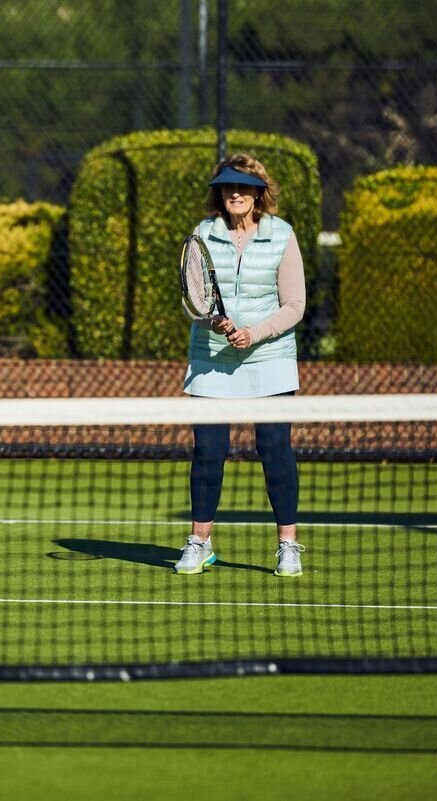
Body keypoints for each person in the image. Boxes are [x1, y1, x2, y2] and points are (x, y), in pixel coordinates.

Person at [176, 152, 306, 577]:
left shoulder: (283, 235)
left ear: (258, 193)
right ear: (220, 193)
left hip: (270, 361)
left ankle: (288, 546)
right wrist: (213, 320)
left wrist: (255, 333)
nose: (236, 193)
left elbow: (295, 305)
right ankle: (200, 542)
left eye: (245, 186)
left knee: (276, 452)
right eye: (229, 186)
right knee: (208, 453)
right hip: (211, 362)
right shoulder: (203, 233)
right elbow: (193, 300)